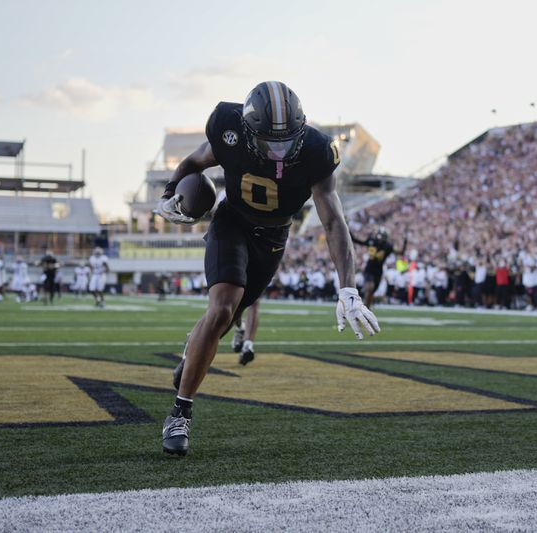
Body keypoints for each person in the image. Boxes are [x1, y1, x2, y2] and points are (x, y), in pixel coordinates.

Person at [155, 81, 380, 456]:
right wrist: (168, 194)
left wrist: (348, 288)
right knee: (223, 306)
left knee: (224, 321)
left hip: (274, 238)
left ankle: (192, 350)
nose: (278, 151)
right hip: (232, 222)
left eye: (286, 140)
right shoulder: (229, 130)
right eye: (268, 142)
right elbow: (195, 161)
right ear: (246, 130)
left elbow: (334, 221)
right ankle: (180, 413)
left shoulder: (317, 151)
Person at [350, 227, 407, 309]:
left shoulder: (388, 246)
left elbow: (401, 252)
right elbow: (355, 240)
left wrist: (405, 242)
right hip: (369, 269)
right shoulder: (371, 241)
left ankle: (366, 309)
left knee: (371, 292)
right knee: (370, 287)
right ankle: (362, 307)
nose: (381, 239)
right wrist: (348, 228)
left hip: (378, 271)